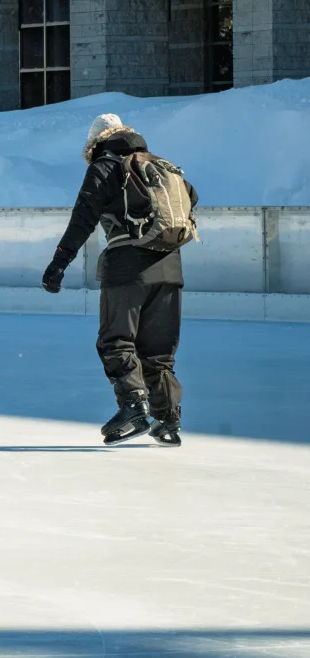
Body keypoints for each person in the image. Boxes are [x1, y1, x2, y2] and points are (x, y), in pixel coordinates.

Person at [42, 113, 196, 446]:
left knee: (116, 340)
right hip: (171, 267)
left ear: (96, 143)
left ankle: (133, 407)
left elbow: (83, 218)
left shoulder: (105, 166)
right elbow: (191, 198)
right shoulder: (162, 166)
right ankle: (168, 421)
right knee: (158, 352)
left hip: (126, 265)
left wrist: (58, 263)